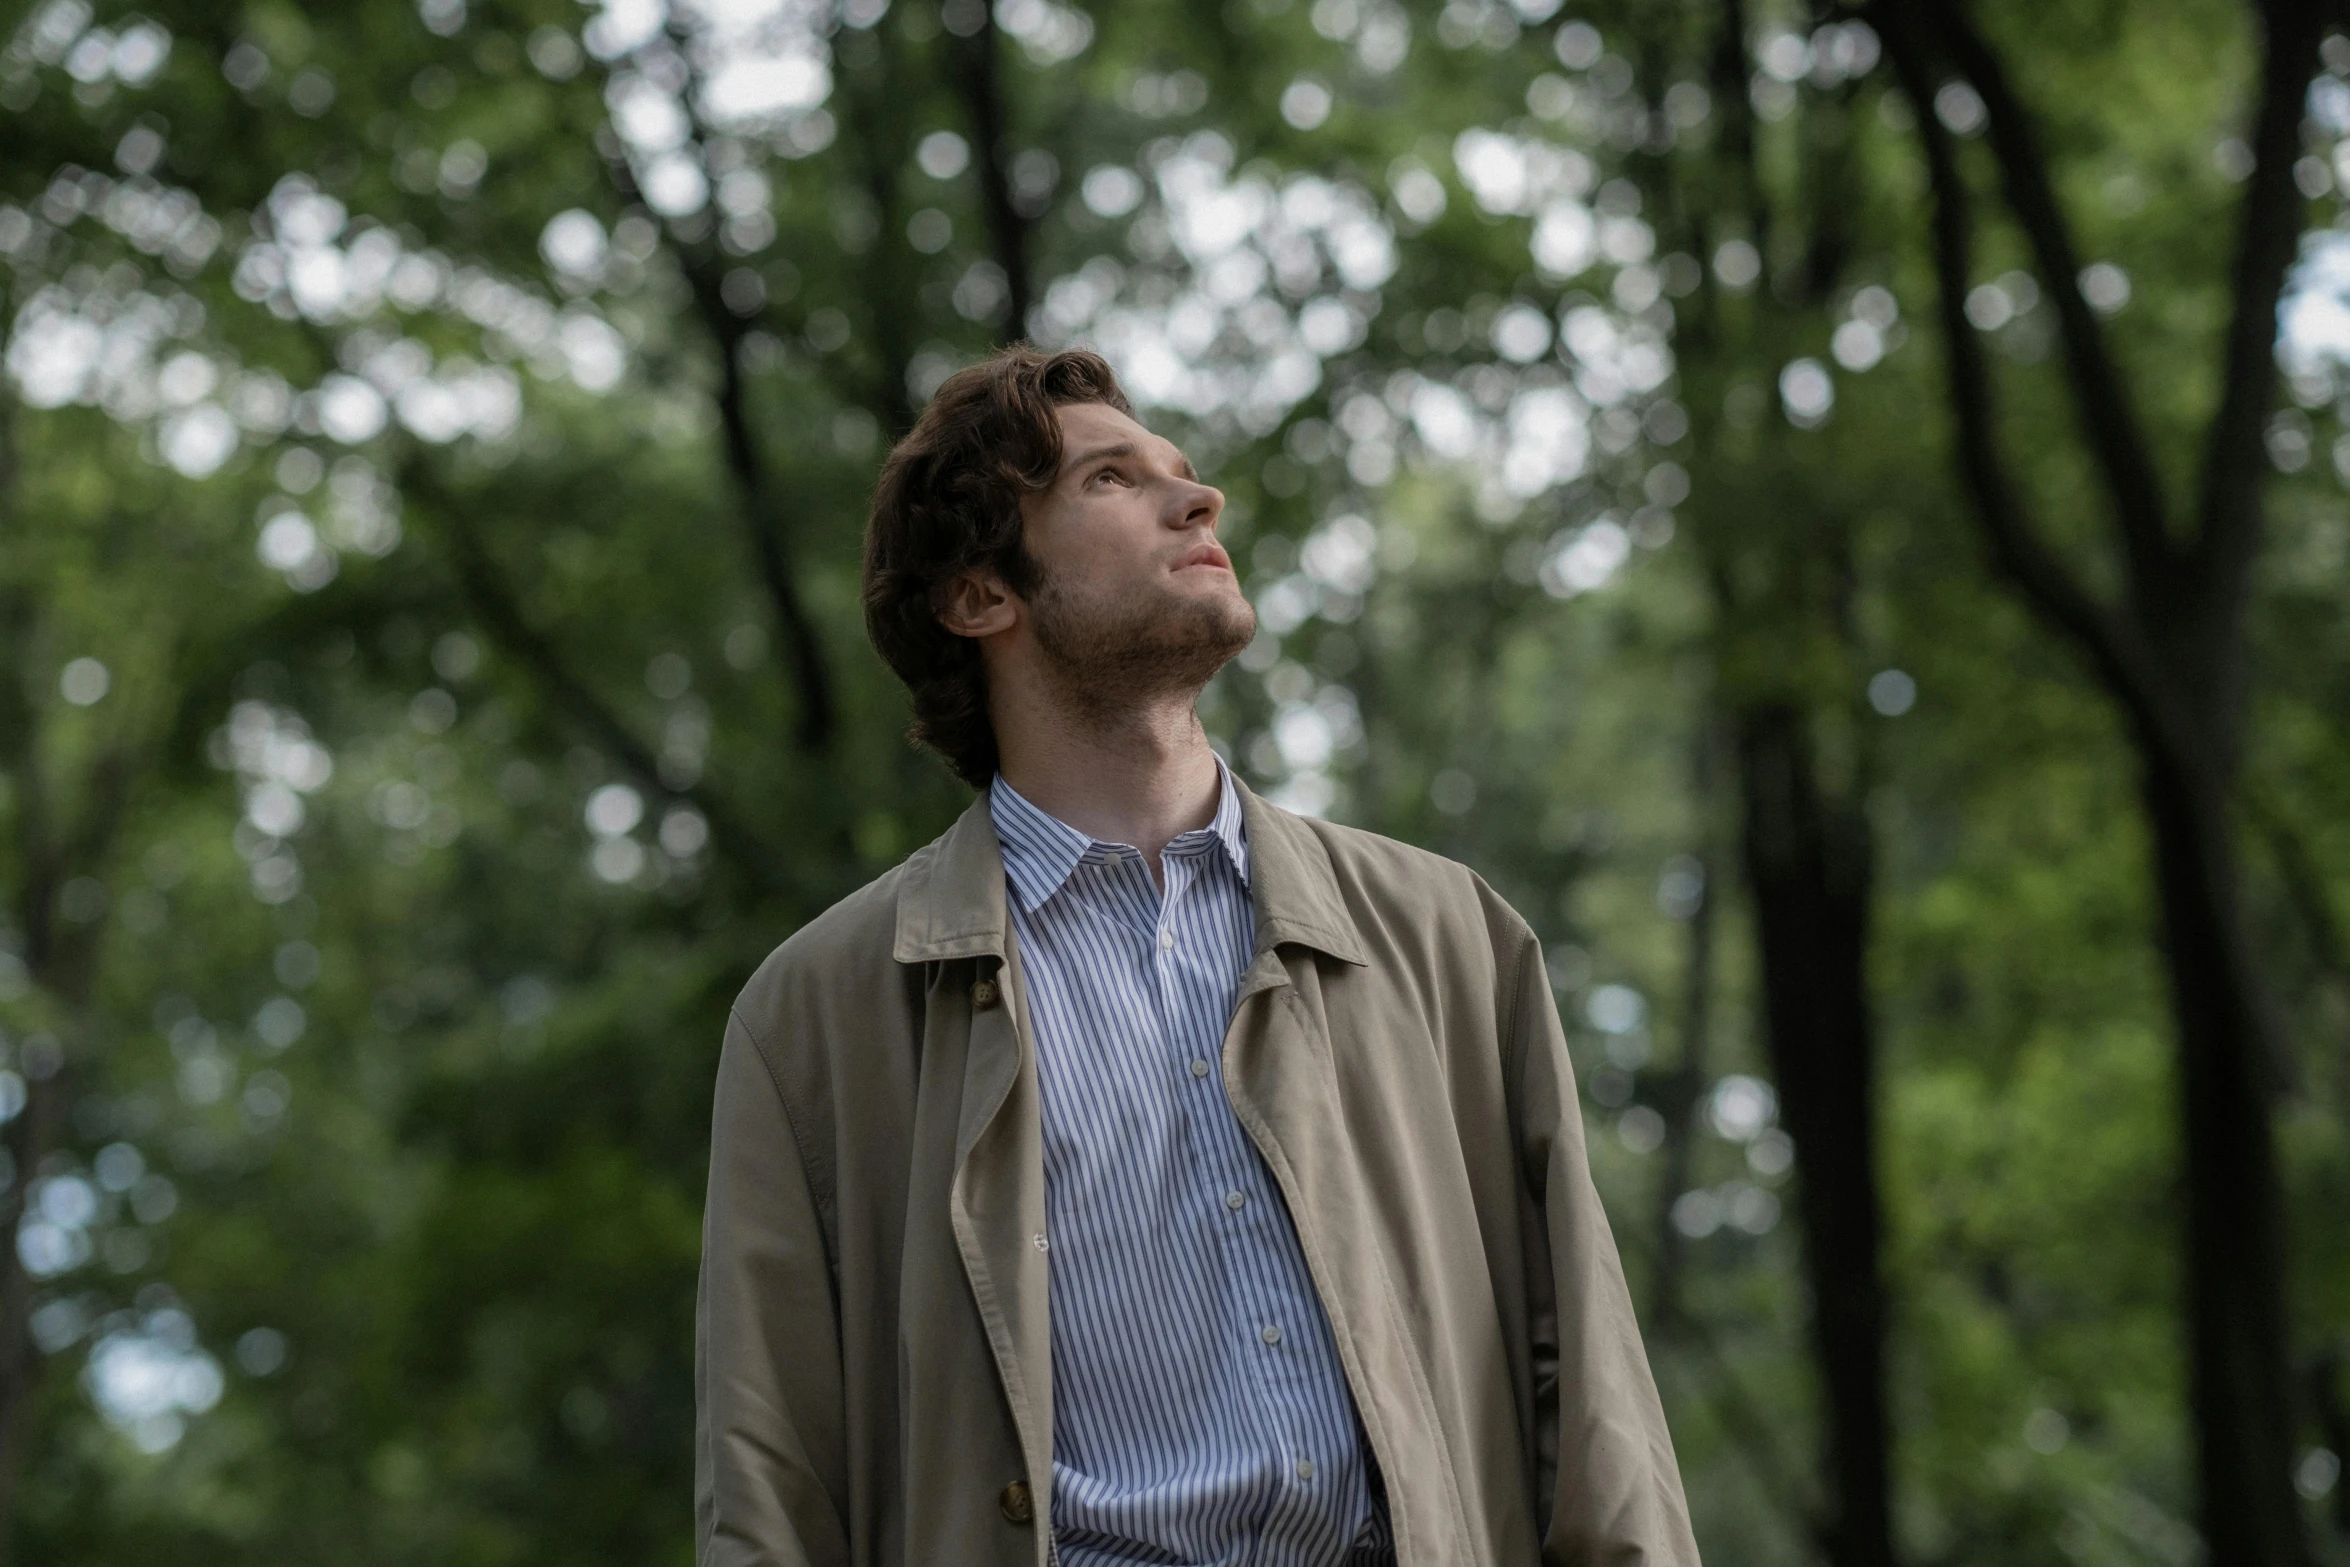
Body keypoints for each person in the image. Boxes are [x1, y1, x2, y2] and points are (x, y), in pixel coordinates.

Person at [695, 345, 1699, 1567]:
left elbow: (1589, 1394)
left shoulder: (1450, 937)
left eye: (1181, 469)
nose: (1198, 497)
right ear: (978, 598)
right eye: (1112, 480)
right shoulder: (817, 1017)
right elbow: (770, 1477)